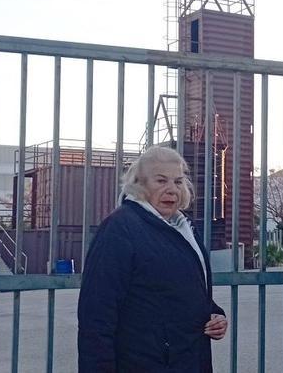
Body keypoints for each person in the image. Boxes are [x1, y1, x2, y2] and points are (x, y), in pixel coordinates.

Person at [77, 146, 227, 372]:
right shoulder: (120, 229)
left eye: (178, 182)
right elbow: (97, 315)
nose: (172, 190)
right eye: (161, 181)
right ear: (140, 185)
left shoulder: (183, 227)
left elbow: (176, 289)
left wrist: (214, 313)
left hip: (188, 360)